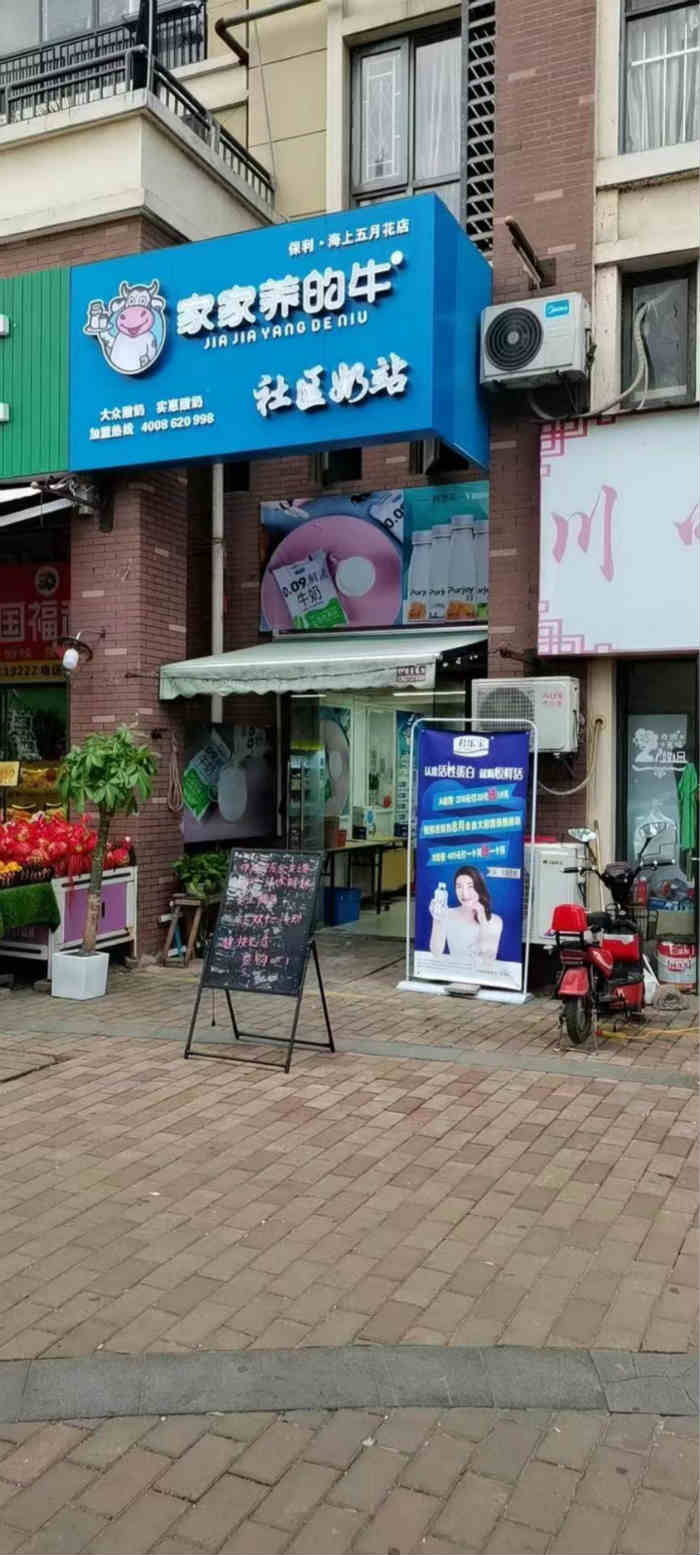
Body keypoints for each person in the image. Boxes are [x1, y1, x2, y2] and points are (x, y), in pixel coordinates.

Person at [429, 865, 503, 963]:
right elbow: (436, 952)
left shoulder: (495, 921)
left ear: (479, 887)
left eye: (470, 886)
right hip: (456, 970)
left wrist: (483, 921)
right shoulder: (448, 914)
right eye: (459, 887)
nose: (464, 893)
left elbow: (488, 959)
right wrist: (437, 919)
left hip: (481, 972)